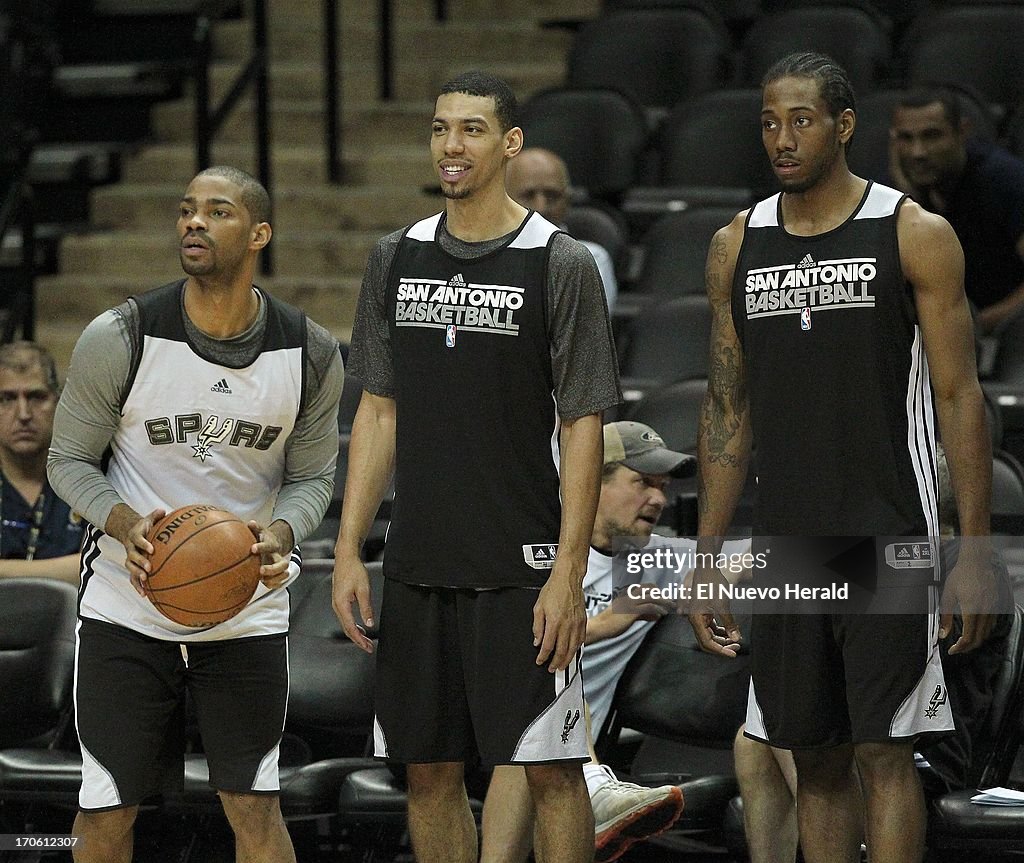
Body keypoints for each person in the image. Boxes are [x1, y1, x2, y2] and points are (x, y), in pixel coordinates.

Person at [689, 52, 998, 863]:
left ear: (845, 125)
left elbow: (962, 397)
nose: (781, 138)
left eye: (801, 119)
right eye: (768, 121)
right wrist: (709, 553)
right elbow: (727, 407)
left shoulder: (913, 232)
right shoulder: (735, 243)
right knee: (813, 759)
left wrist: (970, 549)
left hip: (887, 532)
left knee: (885, 754)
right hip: (787, 541)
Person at [331, 71, 621, 863]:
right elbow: (378, 411)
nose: (451, 146)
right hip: (421, 556)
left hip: (520, 562)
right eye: (439, 129)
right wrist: (354, 546)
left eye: (471, 130)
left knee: (551, 767)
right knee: (427, 774)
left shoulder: (558, 262)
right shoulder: (395, 256)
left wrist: (569, 568)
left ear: (509, 143)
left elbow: (584, 422)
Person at [47, 165, 344, 863]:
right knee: (106, 810)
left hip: (246, 604)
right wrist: (123, 522)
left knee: (256, 808)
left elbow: (311, 478)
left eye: (217, 211)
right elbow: (67, 461)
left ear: (260, 234)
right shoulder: (119, 336)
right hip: (129, 600)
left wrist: (281, 532)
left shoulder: (310, 352)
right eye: (185, 210)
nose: (193, 222)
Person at [482, 421, 696, 863]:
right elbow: (502, 656)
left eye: (662, 487)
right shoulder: (538, 549)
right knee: (536, 703)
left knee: (540, 745)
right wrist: (604, 623)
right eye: (641, 482)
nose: (658, 498)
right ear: (589, 480)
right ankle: (594, 788)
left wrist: (879, 564)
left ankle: (592, 785)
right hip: (483, 737)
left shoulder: (651, 559)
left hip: (558, 754)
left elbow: (759, 561)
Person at [889, 86, 1024, 334]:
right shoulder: (897, 190)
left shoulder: (1006, 180)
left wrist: (977, 324)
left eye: (932, 136)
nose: (918, 152)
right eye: (905, 138)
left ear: (962, 131)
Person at [0, 340, 82, 583]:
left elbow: (103, 566)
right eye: (7, 398)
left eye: (36, 397)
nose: (24, 414)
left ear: (58, 402)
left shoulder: (84, 478)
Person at [506, 147, 619, 309]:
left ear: (568, 200)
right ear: (503, 199)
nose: (541, 207)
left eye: (552, 196)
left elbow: (579, 330)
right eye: (528, 195)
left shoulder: (589, 259)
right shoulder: (482, 255)